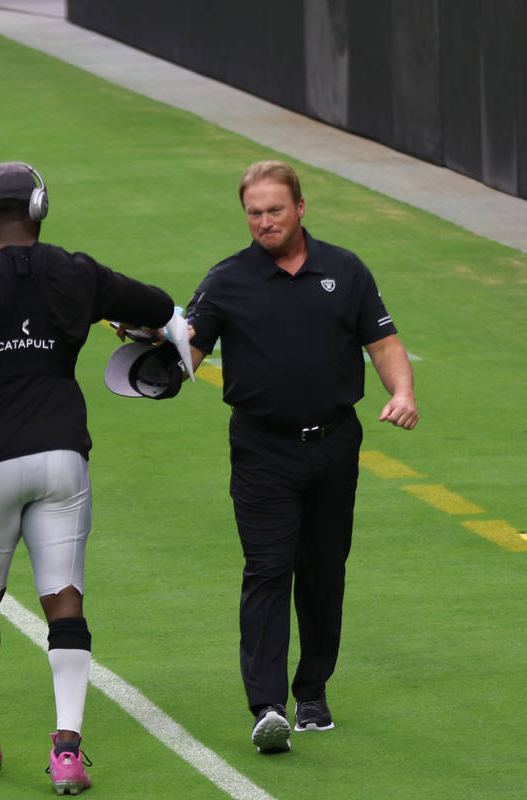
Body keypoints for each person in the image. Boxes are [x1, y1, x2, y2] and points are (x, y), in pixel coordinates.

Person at [0, 161, 182, 794]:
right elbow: (160, 307)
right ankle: (67, 751)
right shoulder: (77, 273)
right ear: (40, 208)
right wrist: (122, 322)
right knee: (64, 597)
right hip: (62, 457)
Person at [179, 160, 418, 754]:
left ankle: (312, 690)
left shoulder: (345, 269)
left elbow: (383, 342)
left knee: (323, 570)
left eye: (275, 210)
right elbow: (189, 353)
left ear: (301, 208)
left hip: (336, 445)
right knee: (266, 569)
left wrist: (403, 392)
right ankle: (267, 705)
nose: (264, 222)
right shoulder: (227, 279)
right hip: (261, 448)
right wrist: (156, 349)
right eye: (254, 213)